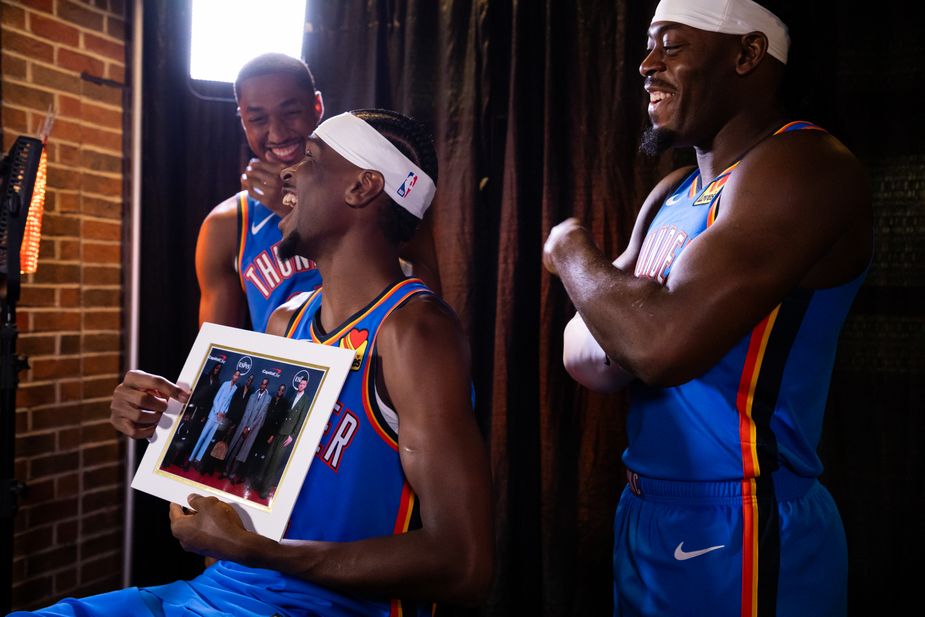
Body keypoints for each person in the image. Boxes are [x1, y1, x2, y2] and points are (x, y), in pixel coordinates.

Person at [64, 108, 492, 616]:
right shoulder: (287, 320)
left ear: (362, 187)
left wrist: (263, 553)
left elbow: (465, 565)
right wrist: (169, 422)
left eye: (310, 158)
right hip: (223, 593)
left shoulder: (414, 331)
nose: (287, 170)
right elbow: (236, 491)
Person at [543, 1, 872, 615]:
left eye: (673, 46)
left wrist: (569, 249)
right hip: (645, 507)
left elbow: (654, 347)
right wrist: (631, 322)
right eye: (648, 46)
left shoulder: (806, 165)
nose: (647, 65)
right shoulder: (672, 192)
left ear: (747, 54)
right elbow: (587, 357)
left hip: (746, 513)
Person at [196, 52, 441, 334]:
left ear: (317, 105)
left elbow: (429, 306)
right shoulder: (228, 224)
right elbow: (216, 358)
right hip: (286, 372)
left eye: (291, 112)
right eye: (258, 119)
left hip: (371, 363)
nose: (276, 133)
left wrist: (295, 207)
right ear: (242, 121)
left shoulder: (377, 190)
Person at [251, 376, 313, 499]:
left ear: (306, 386)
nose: (300, 386)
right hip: (279, 431)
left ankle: (265, 489)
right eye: (300, 384)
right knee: (268, 458)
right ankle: (258, 484)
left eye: (303, 384)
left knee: (275, 462)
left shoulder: (306, 400)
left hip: (287, 435)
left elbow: (301, 420)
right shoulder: (292, 397)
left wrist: (293, 435)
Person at [186, 371, 240, 469]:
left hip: (221, 417)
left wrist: (224, 413)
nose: (236, 377)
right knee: (202, 436)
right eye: (235, 375)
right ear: (233, 375)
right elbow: (216, 399)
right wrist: (218, 411)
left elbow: (229, 402)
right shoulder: (225, 384)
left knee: (209, 439)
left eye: (238, 376)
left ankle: (198, 460)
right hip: (214, 414)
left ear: (239, 378)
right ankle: (190, 459)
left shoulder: (235, 388)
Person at [223, 377, 271, 482]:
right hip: (243, 425)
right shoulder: (253, 395)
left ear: (267, 386)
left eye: (265, 384)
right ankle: (226, 470)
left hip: (252, 429)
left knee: (243, 452)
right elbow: (246, 411)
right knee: (233, 447)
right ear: (260, 384)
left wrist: (249, 428)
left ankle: (232, 473)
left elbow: (260, 417)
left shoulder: (267, 399)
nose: (263, 386)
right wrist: (244, 426)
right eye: (262, 384)